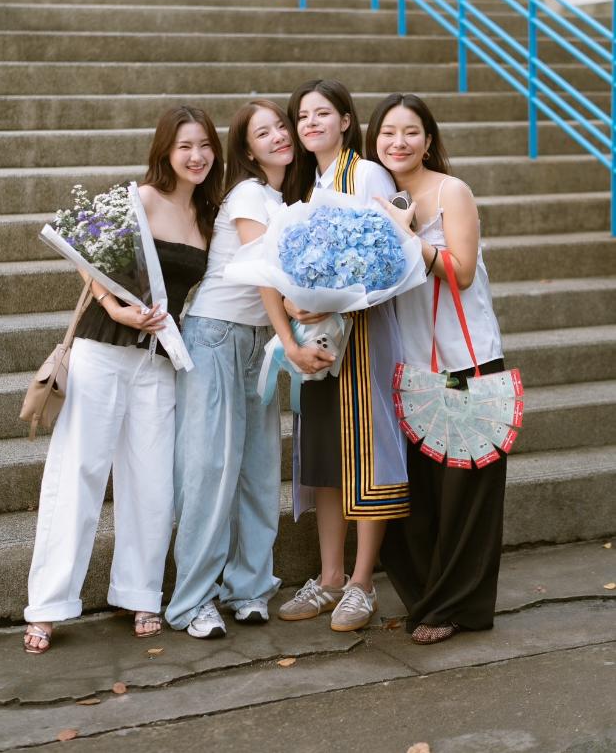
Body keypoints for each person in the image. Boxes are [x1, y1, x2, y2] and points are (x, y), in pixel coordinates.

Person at [23, 106, 223, 654]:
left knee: (152, 482)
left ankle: (140, 594)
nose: (196, 156)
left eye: (205, 145)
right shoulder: (142, 198)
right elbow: (85, 252)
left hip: (158, 362)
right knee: (79, 473)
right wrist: (114, 307)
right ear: (165, 150)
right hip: (103, 352)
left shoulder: (209, 217)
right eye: (185, 146)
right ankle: (47, 606)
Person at [166, 100, 333, 639]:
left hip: (259, 339)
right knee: (210, 469)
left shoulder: (284, 200)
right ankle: (193, 601)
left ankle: (250, 587)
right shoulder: (247, 194)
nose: (280, 136)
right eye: (264, 133)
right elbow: (265, 273)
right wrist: (292, 337)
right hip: (216, 336)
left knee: (259, 468)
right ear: (247, 149)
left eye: (282, 126)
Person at [366, 91, 505, 644]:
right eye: (388, 133)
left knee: (465, 498)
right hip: (411, 366)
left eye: (410, 132)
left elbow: (462, 271)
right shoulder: (378, 196)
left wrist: (405, 234)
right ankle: (429, 599)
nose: (398, 142)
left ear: (428, 140)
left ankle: (454, 607)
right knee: (418, 500)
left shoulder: (452, 191)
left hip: (466, 359)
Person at [277, 78, 409, 633]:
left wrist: (333, 300)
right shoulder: (310, 184)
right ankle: (330, 577)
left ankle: (361, 583)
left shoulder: (368, 174)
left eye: (322, 114)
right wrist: (297, 301)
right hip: (320, 340)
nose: (311, 123)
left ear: (346, 121)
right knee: (326, 458)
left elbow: (390, 258)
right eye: (302, 116)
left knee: (366, 453)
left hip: (363, 337)